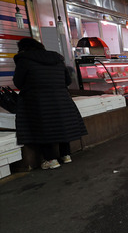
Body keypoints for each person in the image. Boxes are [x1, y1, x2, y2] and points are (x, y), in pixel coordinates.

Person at [13, 38, 87, 170]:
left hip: (38, 100)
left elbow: (18, 82)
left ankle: (51, 160)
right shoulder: (56, 59)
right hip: (62, 98)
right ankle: (66, 155)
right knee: (62, 124)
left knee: (43, 127)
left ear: (23, 48)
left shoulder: (24, 60)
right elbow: (68, 80)